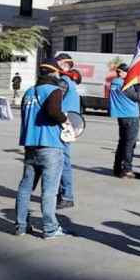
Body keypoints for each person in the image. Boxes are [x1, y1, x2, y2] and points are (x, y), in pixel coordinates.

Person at [14, 61, 70, 239]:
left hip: (30, 145)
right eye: (59, 74)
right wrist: (65, 119)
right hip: (50, 146)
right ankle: (50, 228)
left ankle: (21, 225)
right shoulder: (54, 91)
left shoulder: (29, 92)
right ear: (53, 74)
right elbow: (53, 112)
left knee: (25, 187)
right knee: (49, 190)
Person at [55, 53, 80, 210]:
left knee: (62, 160)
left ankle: (66, 196)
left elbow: (54, 99)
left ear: (65, 65)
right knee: (62, 158)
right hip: (69, 122)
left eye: (58, 63)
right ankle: (63, 194)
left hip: (64, 123)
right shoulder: (69, 81)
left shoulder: (63, 82)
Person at [110, 63, 140, 179]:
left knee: (122, 142)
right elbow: (137, 97)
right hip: (130, 116)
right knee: (130, 144)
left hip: (121, 115)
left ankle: (117, 168)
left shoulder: (114, 82)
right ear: (124, 72)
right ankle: (127, 169)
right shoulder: (123, 83)